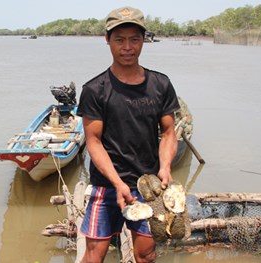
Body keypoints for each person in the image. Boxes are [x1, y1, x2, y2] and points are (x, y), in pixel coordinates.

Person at [76, 6, 180, 263]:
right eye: (119, 39)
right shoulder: (95, 89)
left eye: (135, 39)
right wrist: (118, 184)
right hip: (107, 185)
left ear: (144, 40)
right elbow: (93, 141)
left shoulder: (160, 84)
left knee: (146, 253)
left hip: (149, 185)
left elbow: (168, 133)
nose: (127, 47)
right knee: (93, 254)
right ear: (107, 40)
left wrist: (165, 167)